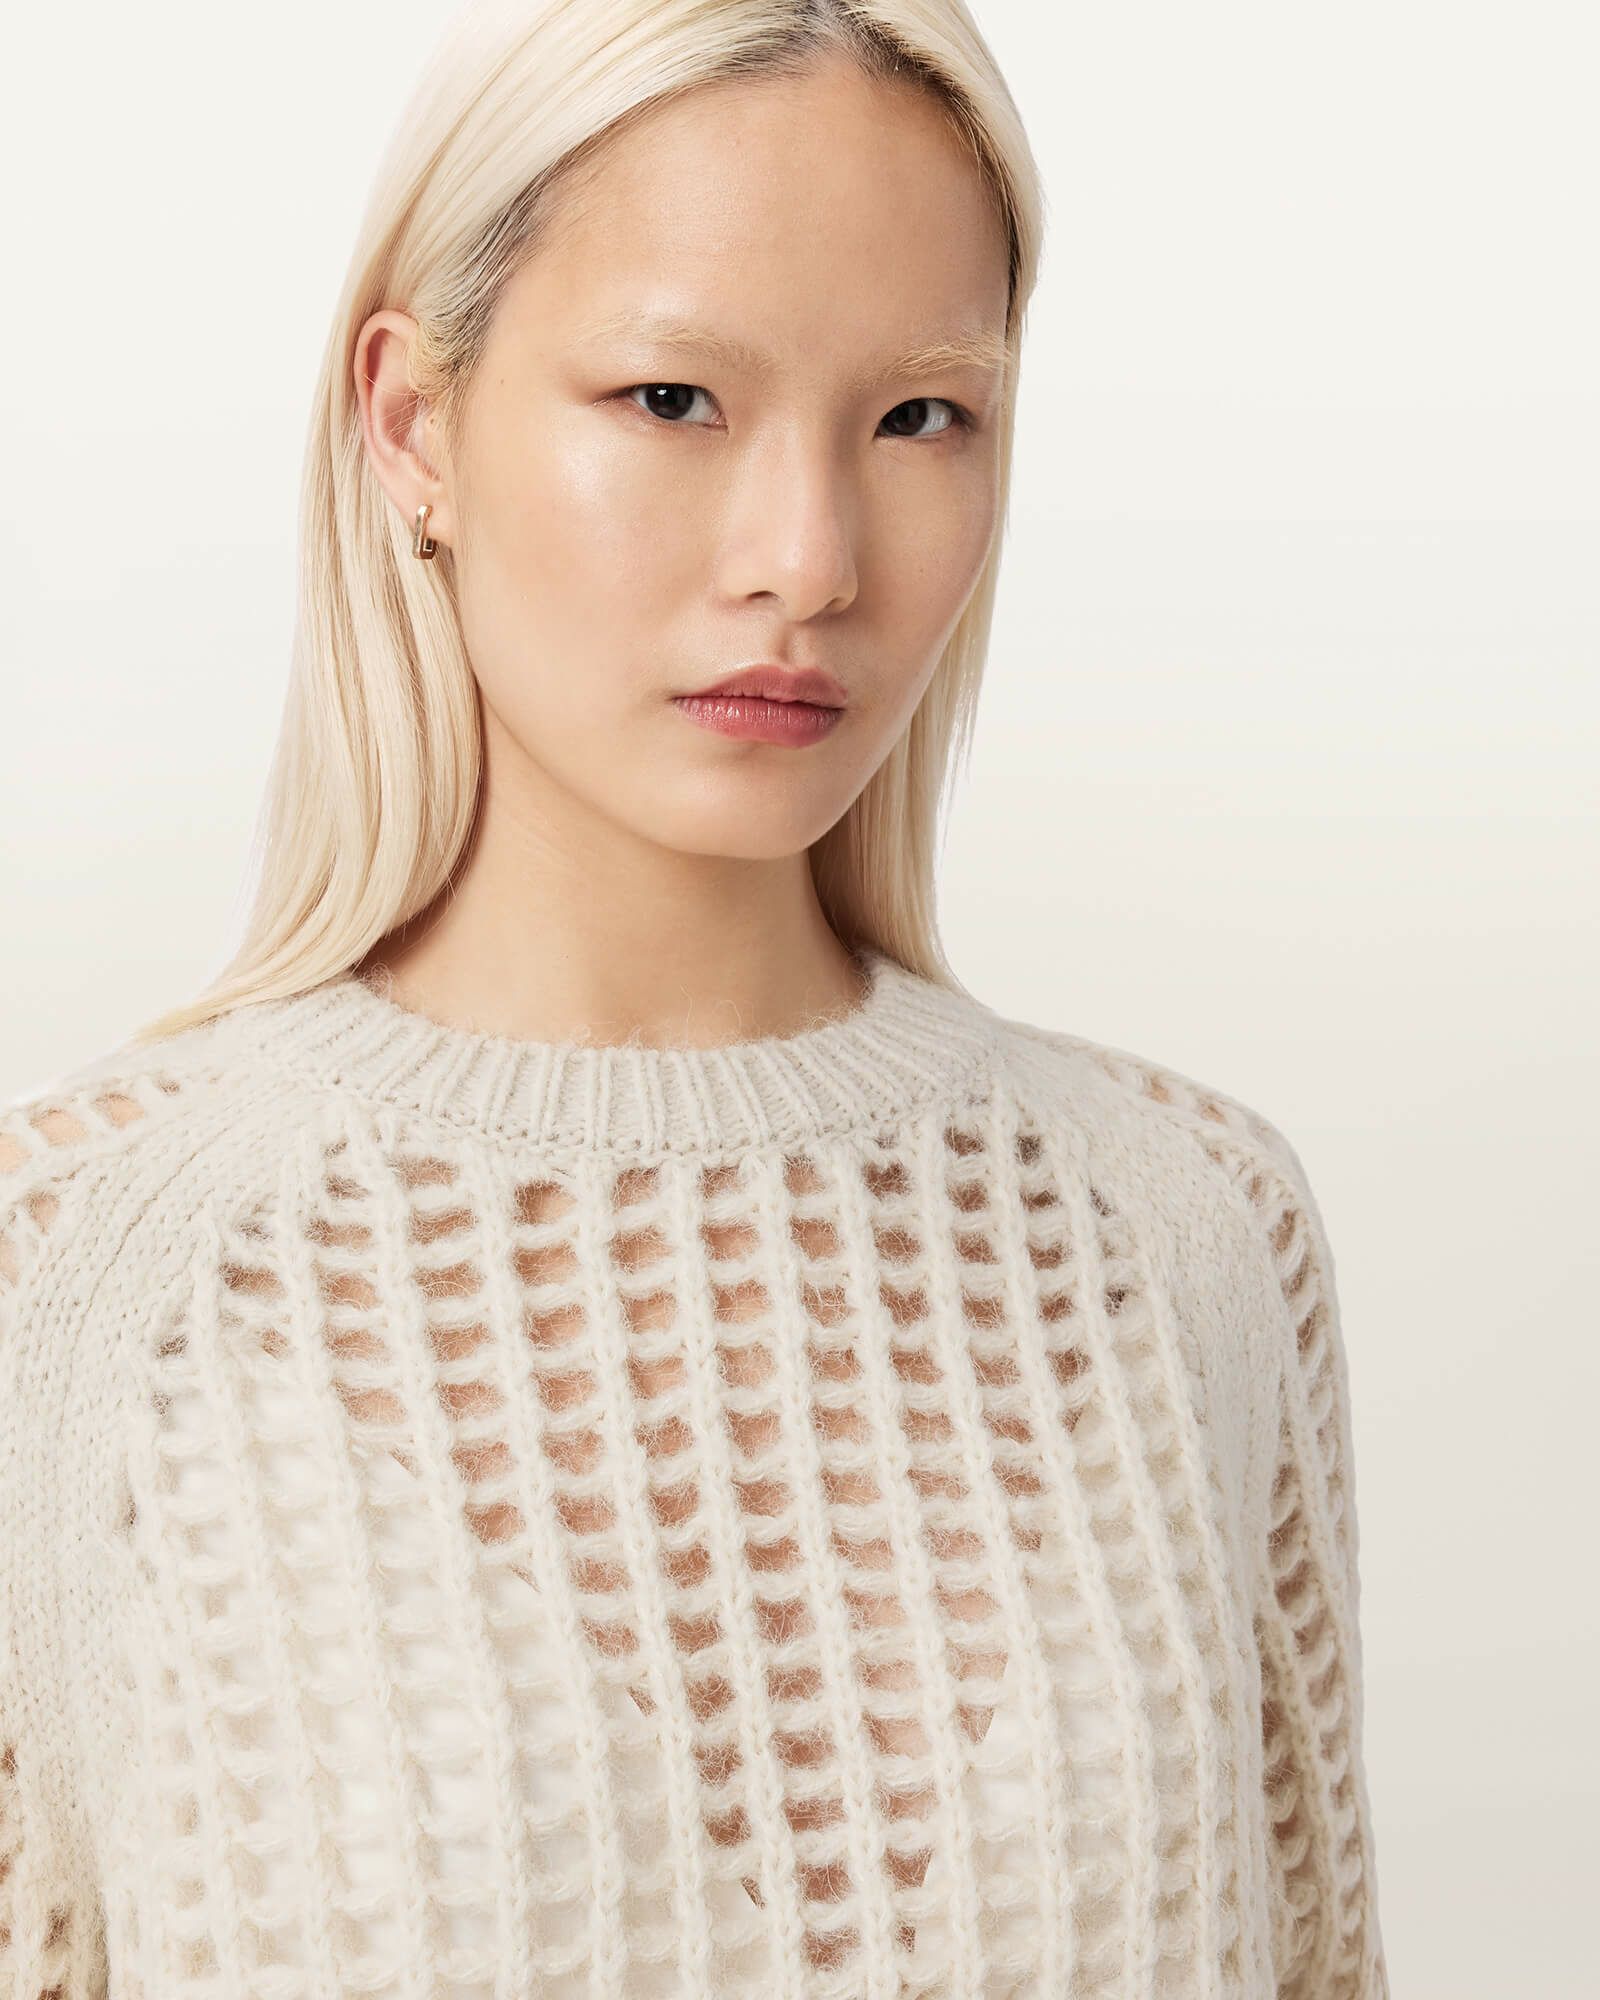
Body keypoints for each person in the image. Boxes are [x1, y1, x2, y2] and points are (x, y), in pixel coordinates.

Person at [0, 2, 1388, 1994]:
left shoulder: (1192, 1234)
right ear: (410, 426)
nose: (807, 561)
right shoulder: (70, 1279)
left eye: (921, 418)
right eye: (672, 398)